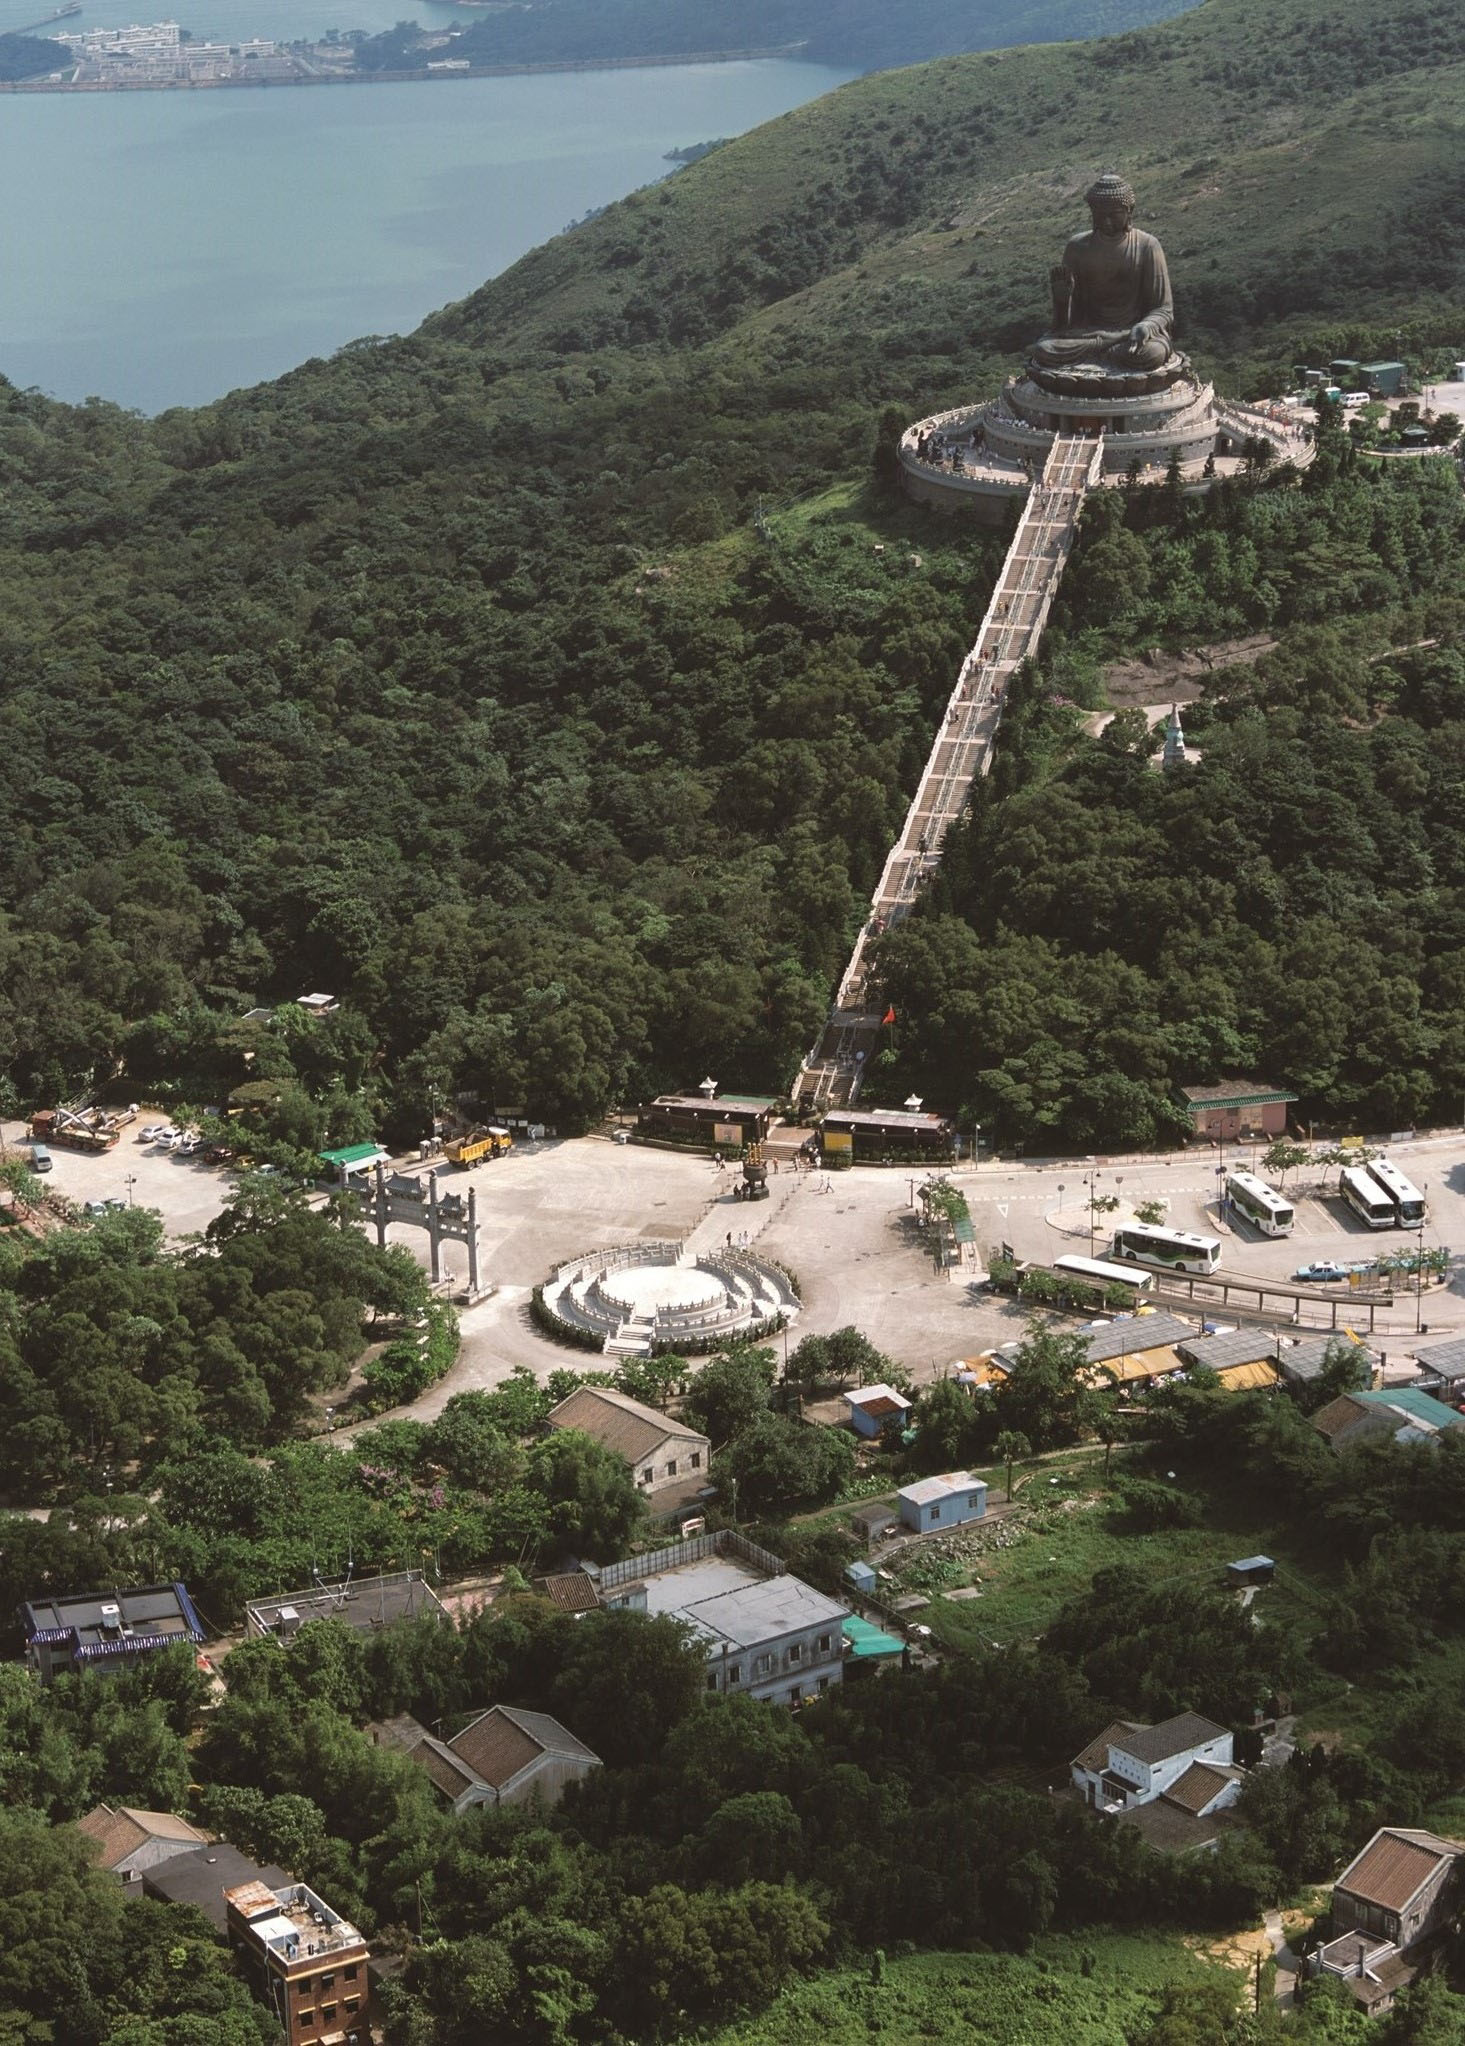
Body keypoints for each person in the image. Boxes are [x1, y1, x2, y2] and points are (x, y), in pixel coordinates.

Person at [1031, 173, 1175, 375]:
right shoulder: (1077, 247)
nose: (1107, 221)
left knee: (1151, 354)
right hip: (1087, 334)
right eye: (1100, 215)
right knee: (1044, 350)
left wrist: (1146, 326)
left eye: (1114, 215)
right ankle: (1108, 353)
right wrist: (1062, 301)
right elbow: (1066, 323)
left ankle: (1106, 353)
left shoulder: (1147, 246)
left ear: (1129, 211)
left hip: (1131, 334)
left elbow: (1163, 309)